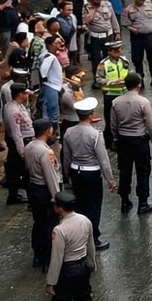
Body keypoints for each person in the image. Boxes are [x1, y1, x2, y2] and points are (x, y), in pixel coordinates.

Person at [62, 103, 115, 252]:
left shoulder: (69, 132)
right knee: (93, 207)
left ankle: (78, 237)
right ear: (91, 115)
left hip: (75, 171)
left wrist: (67, 175)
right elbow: (103, 160)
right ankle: (93, 238)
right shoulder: (95, 134)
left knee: (79, 206)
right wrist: (110, 180)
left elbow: (66, 156)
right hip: (91, 174)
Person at [47, 190, 96, 301]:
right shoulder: (85, 220)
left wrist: (51, 282)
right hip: (83, 267)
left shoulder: (59, 230)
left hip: (67, 270)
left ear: (60, 208)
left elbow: (57, 258)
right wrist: (92, 263)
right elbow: (90, 245)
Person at [109, 73, 152, 215]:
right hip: (139, 141)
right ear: (139, 84)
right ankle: (143, 203)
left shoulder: (116, 102)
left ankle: (125, 201)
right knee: (143, 172)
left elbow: (113, 125)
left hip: (124, 141)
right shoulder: (143, 102)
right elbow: (150, 125)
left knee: (125, 172)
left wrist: (116, 139)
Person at [26, 120, 61, 272]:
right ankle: (48, 258)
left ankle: (37, 255)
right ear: (48, 131)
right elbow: (51, 176)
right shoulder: (46, 152)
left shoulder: (29, 147)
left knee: (38, 222)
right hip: (44, 189)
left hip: (33, 187)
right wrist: (56, 198)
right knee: (49, 225)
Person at [122, 0, 152, 89]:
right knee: (137, 60)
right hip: (137, 37)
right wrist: (132, 29)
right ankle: (140, 82)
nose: (141, 1)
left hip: (149, 36)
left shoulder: (149, 6)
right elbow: (124, 23)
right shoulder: (128, 9)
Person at [3, 83, 36, 205]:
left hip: (24, 141)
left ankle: (15, 195)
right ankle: (30, 200)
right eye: (26, 93)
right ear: (21, 94)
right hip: (20, 143)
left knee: (16, 172)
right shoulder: (13, 110)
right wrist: (21, 151)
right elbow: (16, 132)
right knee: (24, 172)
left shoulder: (18, 106)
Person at [94, 41, 129, 150]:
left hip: (123, 94)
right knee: (110, 120)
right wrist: (112, 82)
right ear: (109, 52)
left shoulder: (124, 61)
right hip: (110, 95)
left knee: (123, 118)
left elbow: (129, 73)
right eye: (115, 51)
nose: (118, 52)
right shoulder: (104, 64)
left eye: (119, 50)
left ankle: (121, 139)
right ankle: (110, 141)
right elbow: (98, 79)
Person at [82, 0, 119, 72]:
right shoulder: (87, 7)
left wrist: (117, 32)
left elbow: (113, 19)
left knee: (109, 57)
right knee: (96, 59)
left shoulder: (107, 4)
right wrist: (93, 10)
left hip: (108, 35)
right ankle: (97, 78)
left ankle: (109, 75)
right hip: (95, 37)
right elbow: (86, 21)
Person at [37, 36, 64, 124]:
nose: (61, 44)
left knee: (48, 110)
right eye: (58, 43)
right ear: (52, 44)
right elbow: (43, 70)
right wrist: (45, 79)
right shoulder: (49, 57)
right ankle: (51, 132)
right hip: (51, 86)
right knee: (52, 111)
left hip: (51, 86)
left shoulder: (45, 54)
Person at [57, 65, 86, 137]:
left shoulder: (76, 87)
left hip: (78, 120)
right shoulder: (65, 91)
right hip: (71, 121)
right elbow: (76, 106)